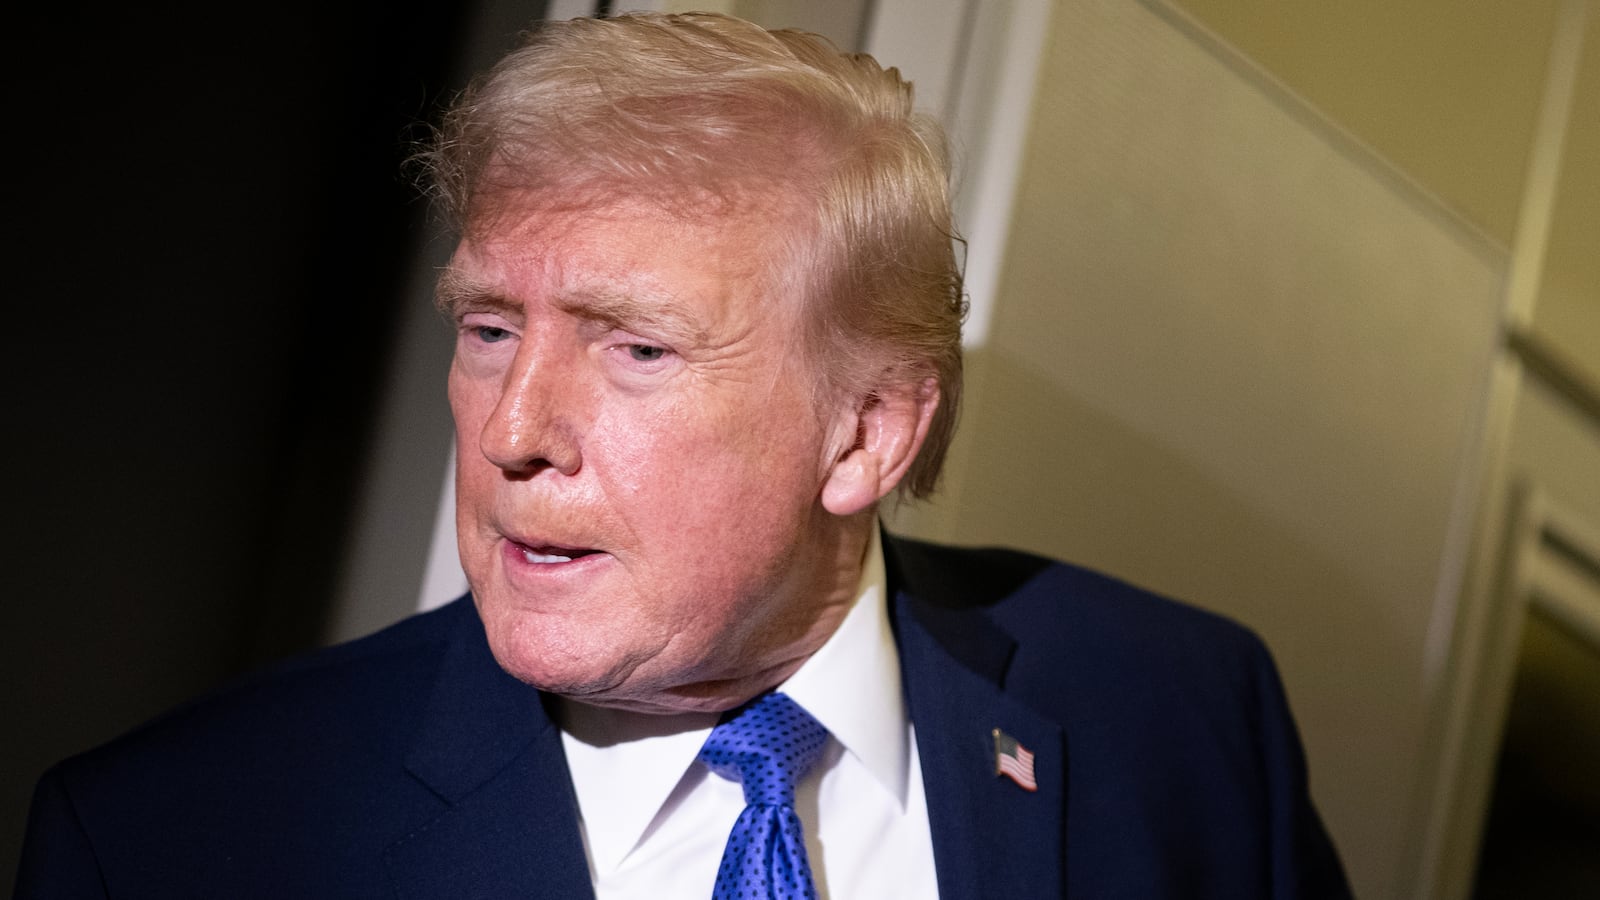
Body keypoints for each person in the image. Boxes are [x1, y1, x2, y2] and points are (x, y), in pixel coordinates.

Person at [15, 12, 1350, 899]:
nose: (510, 432)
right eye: (488, 329)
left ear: (871, 431)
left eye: (633, 348)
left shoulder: (1178, 715)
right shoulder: (169, 843)